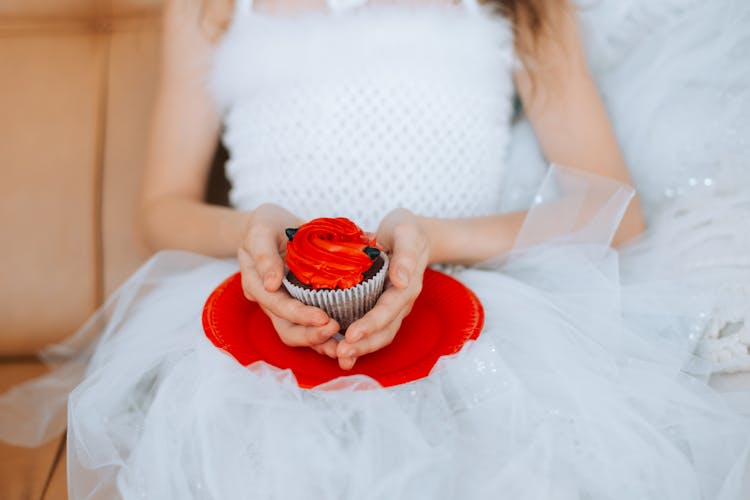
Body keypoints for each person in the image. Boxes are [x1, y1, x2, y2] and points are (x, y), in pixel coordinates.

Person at [2, 0, 749, 498]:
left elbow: (611, 213)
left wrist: (432, 239)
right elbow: (158, 211)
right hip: (266, 303)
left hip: (474, 305)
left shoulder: (523, 7)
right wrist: (256, 232)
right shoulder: (213, 5)